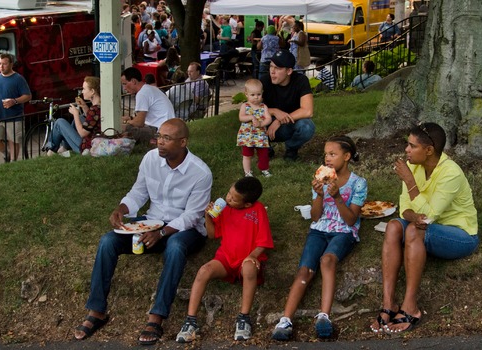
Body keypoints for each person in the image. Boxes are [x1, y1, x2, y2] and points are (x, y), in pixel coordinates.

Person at [74, 119, 213, 346]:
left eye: (167, 138)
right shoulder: (150, 159)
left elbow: (192, 216)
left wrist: (163, 233)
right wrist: (122, 208)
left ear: (183, 142)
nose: (160, 142)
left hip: (186, 229)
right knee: (108, 241)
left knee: (175, 247)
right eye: (159, 136)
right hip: (152, 222)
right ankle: (97, 311)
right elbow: (138, 193)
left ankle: (156, 317)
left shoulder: (200, 172)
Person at [369, 122, 479, 335]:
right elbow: (405, 210)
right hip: (424, 225)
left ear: (429, 150)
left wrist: (410, 183)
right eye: (407, 145)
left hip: (460, 236)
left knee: (412, 230)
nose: (406, 150)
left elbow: (429, 217)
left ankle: (411, 307)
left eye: (412, 146)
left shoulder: (451, 173)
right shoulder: (413, 165)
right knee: (393, 227)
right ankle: (388, 304)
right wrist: (414, 216)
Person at [272, 136, 367, 340]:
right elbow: (315, 216)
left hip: (343, 231)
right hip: (318, 229)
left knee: (327, 260)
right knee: (304, 270)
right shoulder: (320, 179)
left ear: (347, 156)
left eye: (333, 154)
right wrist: (320, 195)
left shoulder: (359, 183)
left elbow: (351, 220)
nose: (328, 159)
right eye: (326, 154)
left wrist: (338, 197)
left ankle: (324, 316)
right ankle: (285, 320)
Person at [176, 176, 273, 343]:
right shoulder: (224, 209)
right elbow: (213, 235)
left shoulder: (257, 210)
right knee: (204, 271)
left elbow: (264, 242)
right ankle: (190, 321)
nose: (228, 198)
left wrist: (252, 256)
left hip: (247, 259)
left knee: (249, 268)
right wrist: (207, 217)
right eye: (229, 193)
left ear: (247, 204)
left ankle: (244, 319)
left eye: (234, 199)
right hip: (226, 257)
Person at [260, 49, 315, 161]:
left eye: (278, 68)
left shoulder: (300, 80)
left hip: (289, 124)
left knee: (307, 126)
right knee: (250, 119)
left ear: (289, 71)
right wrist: (275, 111)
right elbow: (252, 107)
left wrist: (279, 120)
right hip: (267, 123)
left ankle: (291, 149)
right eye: (271, 66)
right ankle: (265, 147)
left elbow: (308, 111)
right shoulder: (264, 81)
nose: (272, 71)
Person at [0, 53, 31, 162]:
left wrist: (14, 101)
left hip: (15, 117)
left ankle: (13, 163)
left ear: (11, 64)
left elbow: (28, 96)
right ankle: (5, 153)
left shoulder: (18, 79)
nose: (1, 67)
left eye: (4, 64)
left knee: (14, 141)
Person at [47, 76, 101, 156]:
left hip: (86, 147)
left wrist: (75, 114)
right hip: (94, 141)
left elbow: (83, 133)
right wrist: (84, 106)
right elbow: (92, 120)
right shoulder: (99, 106)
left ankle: (51, 149)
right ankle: (65, 147)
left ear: (92, 91)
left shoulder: (94, 109)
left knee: (59, 122)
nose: (82, 92)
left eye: (84, 89)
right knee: (81, 117)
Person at [121, 67, 174, 144]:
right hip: (168, 127)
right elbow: (143, 116)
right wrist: (131, 118)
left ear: (133, 81)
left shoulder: (142, 94)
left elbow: (139, 123)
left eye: (125, 84)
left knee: (128, 128)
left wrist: (126, 122)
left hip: (160, 130)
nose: (124, 88)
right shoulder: (149, 88)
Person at [237, 79, 273, 178]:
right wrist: (250, 117)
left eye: (258, 94)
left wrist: (261, 123)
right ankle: (247, 172)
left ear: (262, 94)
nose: (256, 97)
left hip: (260, 135)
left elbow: (268, 118)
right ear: (246, 94)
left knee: (263, 154)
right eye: (252, 95)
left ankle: (264, 169)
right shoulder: (245, 106)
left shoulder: (263, 107)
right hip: (247, 136)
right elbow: (241, 117)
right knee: (247, 154)